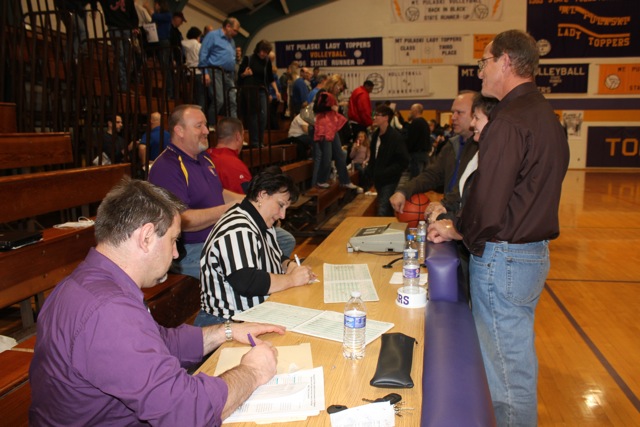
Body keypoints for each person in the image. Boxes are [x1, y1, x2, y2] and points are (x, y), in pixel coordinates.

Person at [29, 178, 285, 425]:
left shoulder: (85, 283)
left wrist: (226, 331)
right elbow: (186, 413)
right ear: (146, 237)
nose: (175, 254)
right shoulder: (109, 311)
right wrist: (252, 371)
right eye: (174, 240)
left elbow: (158, 342)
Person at [435, 30, 570, 426]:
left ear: (506, 61)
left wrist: (458, 229)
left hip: (505, 258)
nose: (480, 72)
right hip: (530, 255)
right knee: (513, 362)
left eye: (485, 62)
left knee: (507, 376)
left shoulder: (508, 122)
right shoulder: (545, 116)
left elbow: (488, 204)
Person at [197, 170, 316, 326]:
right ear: (262, 195)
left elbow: (274, 255)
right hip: (225, 323)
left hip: (252, 315)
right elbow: (247, 282)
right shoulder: (237, 228)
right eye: (280, 205)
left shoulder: (260, 221)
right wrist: (292, 279)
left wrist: (289, 265)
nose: (283, 215)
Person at [148, 104, 243, 279]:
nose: (206, 131)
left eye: (205, 125)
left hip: (218, 237)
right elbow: (181, 220)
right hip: (189, 249)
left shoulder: (204, 158)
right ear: (179, 131)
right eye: (199, 126)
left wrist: (251, 202)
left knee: (280, 239)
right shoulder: (167, 167)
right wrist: (229, 210)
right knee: (245, 267)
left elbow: (219, 192)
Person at [426, 93, 498, 301]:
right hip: (471, 242)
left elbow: (485, 210)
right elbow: (462, 193)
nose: (473, 123)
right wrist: (443, 208)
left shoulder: (494, 158)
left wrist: (451, 226)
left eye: (476, 117)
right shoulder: (475, 151)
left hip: (489, 254)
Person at [206, 118, 297, 258]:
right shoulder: (234, 165)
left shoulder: (205, 157)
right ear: (238, 136)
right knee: (287, 240)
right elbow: (251, 204)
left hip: (214, 225)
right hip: (232, 226)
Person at [389, 91, 477, 219]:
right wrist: (404, 191)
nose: (453, 117)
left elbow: (471, 186)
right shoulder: (452, 145)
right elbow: (432, 174)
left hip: (470, 218)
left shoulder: (484, 148)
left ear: (476, 114)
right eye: (453, 112)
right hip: (450, 215)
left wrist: (444, 204)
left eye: (459, 112)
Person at [313, 74, 361, 191]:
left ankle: (345, 181)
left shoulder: (331, 95)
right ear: (333, 84)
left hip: (331, 129)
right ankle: (321, 180)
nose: (339, 90)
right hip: (324, 129)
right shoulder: (323, 93)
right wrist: (331, 108)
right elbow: (316, 108)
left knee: (340, 154)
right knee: (327, 156)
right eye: (339, 87)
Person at [365, 104, 410, 216]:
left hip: (390, 180)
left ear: (386, 118)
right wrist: (370, 172)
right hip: (378, 179)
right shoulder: (375, 135)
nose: (374, 117)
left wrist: (386, 172)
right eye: (374, 115)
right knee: (386, 209)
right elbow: (374, 157)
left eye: (378, 115)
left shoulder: (395, 137)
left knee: (383, 209)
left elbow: (403, 161)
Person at [237, 40, 281, 148]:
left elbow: (270, 78)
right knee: (253, 116)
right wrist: (245, 73)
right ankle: (255, 142)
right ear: (258, 49)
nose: (263, 53)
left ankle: (260, 141)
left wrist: (276, 91)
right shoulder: (248, 58)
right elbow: (239, 76)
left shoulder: (267, 61)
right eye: (262, 51)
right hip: (250, 90)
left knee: (263, 117)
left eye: (265, 52)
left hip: (262, 90)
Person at [199, 17, 240, 121]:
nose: (236, 33)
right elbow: (203, 53)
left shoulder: (232, 40)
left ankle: (234, 124)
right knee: (219, 100)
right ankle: (210, 123)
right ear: (228, 26)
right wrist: (205, 72)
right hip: (215, 71)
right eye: (235, 30)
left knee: (232, 101)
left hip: (229, 74)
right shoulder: (212, 35)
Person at [97, 0, 139, 91]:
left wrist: (135, 26)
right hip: (118, 27)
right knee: (121, 56)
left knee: (126, 57)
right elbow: (133, 14)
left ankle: (125, 83)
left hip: (124, 27)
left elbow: (133, 13)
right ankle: (124, 85)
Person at [404, 103, 431, 178]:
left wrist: (406, 150)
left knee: (415, 178)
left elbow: (412, 139)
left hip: (417, 155)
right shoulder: (425, 123)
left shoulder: (416, 122)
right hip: (425, 154)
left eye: (411, 110)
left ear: (415, 111)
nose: (410, 112)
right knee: (422, 178)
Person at [182, 26, 205, 108]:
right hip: (198, 71)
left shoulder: (183, 44)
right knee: (201, 96)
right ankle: (200, 112)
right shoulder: (199, 46)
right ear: (198, 36)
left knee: (191, 95)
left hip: (188, 72)